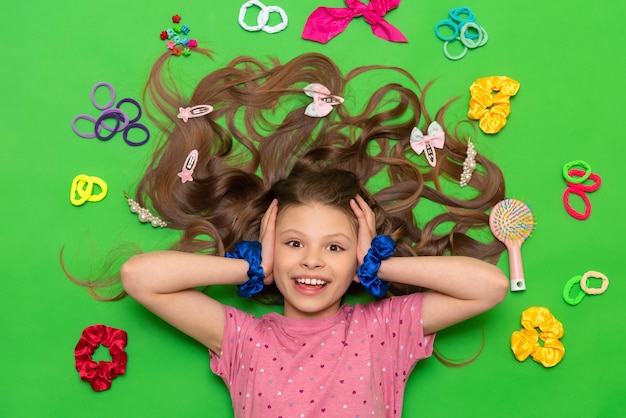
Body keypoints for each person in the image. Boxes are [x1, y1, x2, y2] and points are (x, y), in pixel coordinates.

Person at [73, 49, 509, 416]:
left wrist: (379, 263)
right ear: (271, 249)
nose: (311, 260)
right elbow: (138, 276)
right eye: (294, 243)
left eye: (335, 247)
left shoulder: (384, 329)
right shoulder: (243, 339)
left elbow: (489, 287)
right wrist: (249, 268)